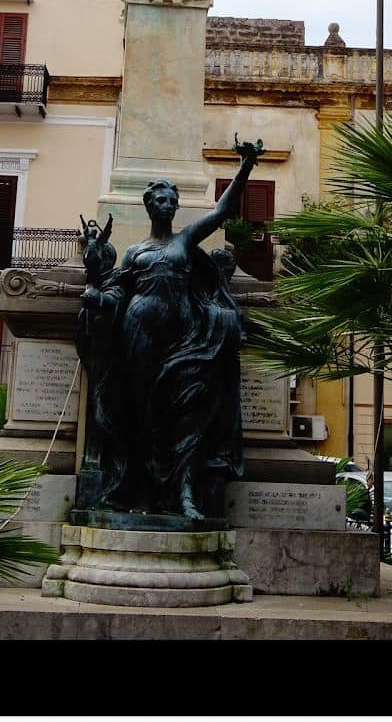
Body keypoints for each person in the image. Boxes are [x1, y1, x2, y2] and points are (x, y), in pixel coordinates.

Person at [78, 137, 264, 521]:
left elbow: (223, 211)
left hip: (183, 336)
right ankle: (142, 490)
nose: (167, 205)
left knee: (188, 408)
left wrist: (246, 165)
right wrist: (98, 298)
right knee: (142, 413)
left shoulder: (185, 240)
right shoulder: (135, 252)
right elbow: (119, 292)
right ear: (150, 207)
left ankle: (185, 492)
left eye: (171, 201)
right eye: (160, 201)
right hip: (138, 332)